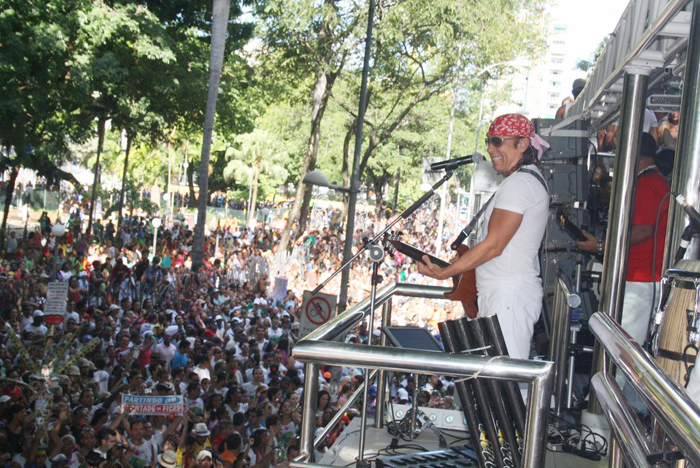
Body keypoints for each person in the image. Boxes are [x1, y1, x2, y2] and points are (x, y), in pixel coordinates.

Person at [417, 113, 550, 360]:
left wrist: (447, 272)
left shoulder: (521, 184)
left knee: (505, 383)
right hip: (502, 294)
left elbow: (494, 246)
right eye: (489, 141)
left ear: (522, 144)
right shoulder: (521, 181)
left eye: (497, 141)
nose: (490, 148)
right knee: (497, 382)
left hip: (508, 296)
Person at [577, 132, 670, 345]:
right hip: (640, 275)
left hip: (641, 278)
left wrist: (600, 245)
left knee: (624, 348)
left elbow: (643, 230)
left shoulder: (647, 184)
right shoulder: (651, 181)